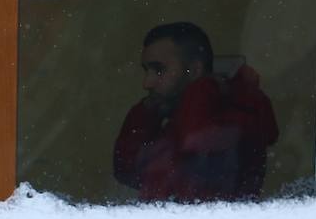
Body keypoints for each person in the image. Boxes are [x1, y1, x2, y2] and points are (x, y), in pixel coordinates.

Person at [113, 22, 279, 202]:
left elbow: (195, 144)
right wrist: (146, 112)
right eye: (147, 71)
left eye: (159, 70)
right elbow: (128, 170)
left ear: (193, 70)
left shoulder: (231, 116)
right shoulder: (175, 123)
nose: (147, 83)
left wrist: (201, 89)